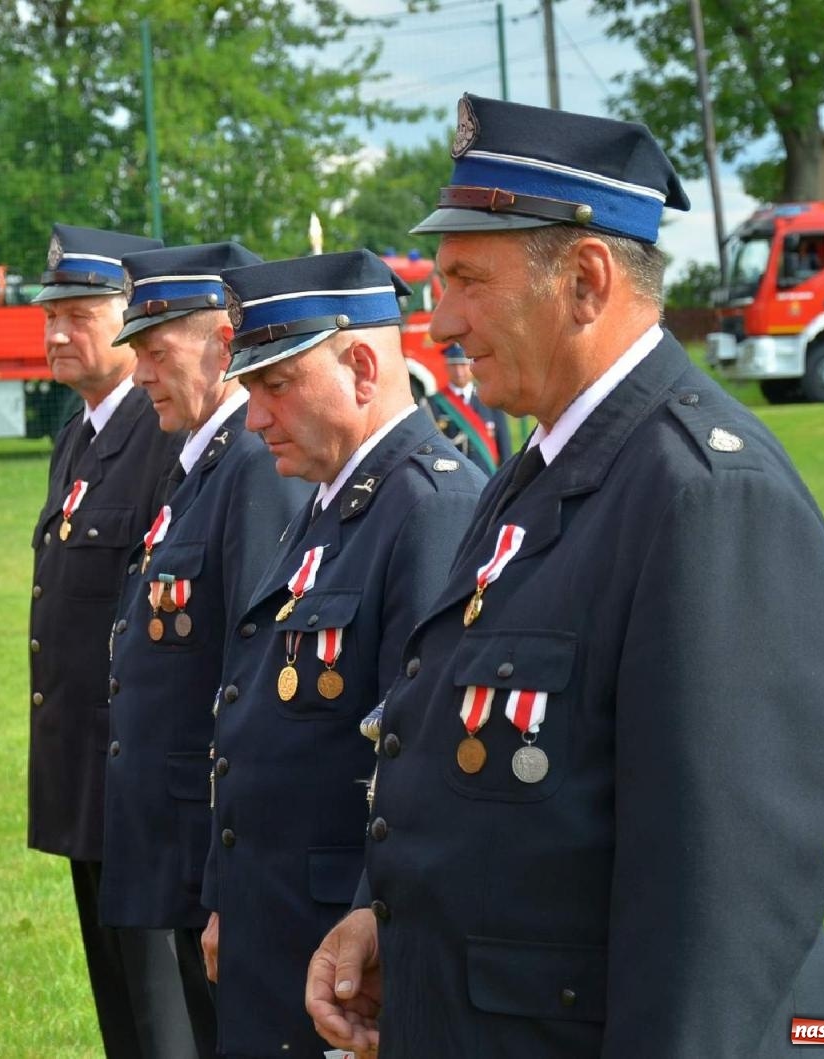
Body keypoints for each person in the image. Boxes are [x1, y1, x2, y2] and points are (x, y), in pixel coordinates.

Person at [307, 94, 824, 1057]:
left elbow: (720, 909)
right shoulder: (546, 465)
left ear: (587, 281)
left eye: (467, 280)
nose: (440, 324)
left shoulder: (706, 498)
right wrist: (398, 925)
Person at [202, 249, 484, 1057]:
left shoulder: (428, 506)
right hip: (280, 924)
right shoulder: (332, 500)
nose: (254, 418)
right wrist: (230, 895)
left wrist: (372, 923)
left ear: (362, 366)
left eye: (275, 385)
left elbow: (416, 764)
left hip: (343, 950)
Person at [100, 241, 313, 1057]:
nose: (142, 372)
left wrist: (232, 878)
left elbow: (251, 676)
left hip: (210, 855)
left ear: (223, 344)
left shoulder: (251, 466)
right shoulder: (200, 465)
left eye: (156, 351)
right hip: (176, 848)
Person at [26, 223, 187, 1058]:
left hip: (138, 782)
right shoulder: (79, 436)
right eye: (51, 312)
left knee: (164, 1017)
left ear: (131, 318)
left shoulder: (163, 436)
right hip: (85, 774)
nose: (57, 331)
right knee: (120, 1010)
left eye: (81, 313)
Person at [427, 341, 511, 474]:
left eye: (463, 364)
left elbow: (504, 446)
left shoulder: (490, 399)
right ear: (446, 367)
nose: (459, 371)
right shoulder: (433, 404)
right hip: (454, 481)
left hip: (487, 479)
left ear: (472, 365)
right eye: (454, 365)